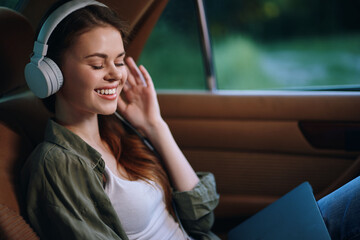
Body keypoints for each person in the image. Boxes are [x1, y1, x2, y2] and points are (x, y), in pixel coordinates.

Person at [20, 0, 220, 239]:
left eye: (119, 61)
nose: (116, 75)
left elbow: (201, 219)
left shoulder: (117, 130)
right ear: (51, 73)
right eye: (97, 64)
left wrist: (154, 126)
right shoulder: (57, 165)